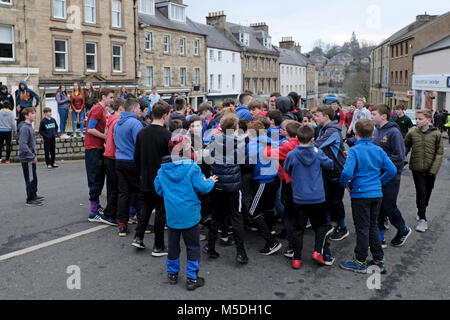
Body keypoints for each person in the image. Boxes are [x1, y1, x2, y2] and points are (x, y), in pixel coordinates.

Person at [155, 135, 217, 291]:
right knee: (193, 246)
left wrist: (171, 196)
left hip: (172, 214)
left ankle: (172, 274)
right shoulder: (192, 168)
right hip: (190, 214)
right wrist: (211, 181)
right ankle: (191, 278)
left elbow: (159, 189)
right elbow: (203, 188)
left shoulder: (162, 170)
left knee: (173, 245)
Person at [339, 119, 397, 274]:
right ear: (372, 133)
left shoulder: (354, 151)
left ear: (355, 133)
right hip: (376, 192)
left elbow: (346, 173)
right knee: (373, 226)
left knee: (362, 228)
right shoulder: (378, 150)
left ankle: (359, 261)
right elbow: (391, 170)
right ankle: (378, 260)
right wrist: (379, 181)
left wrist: (346, 184)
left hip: (360, 193)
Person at [284, 125, 335, 269]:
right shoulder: (318, 153)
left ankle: (297, 258)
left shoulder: (292, 154)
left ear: (297, 138)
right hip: (317, 196)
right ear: (313, 139)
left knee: (298, 228)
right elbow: (329, 164)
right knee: (321, 225)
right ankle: (318, 251)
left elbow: (287, 168)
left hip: (299, 196)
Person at [205, 114, 249, 264]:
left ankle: (210, 247)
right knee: (236, 217)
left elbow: (208, 159)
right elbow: (245, 163)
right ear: (236, 127)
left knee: (216, 216)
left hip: (217, 184)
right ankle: (241, 253)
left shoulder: (213, 141)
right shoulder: (240, 142)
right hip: (233, 186)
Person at [132, 101, 172, 256]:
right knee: (161, 213)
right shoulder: (167, 135)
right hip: (162, 179)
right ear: (164, 115)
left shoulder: (142, 133)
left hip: (146, 177)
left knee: (146, 209)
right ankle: (158, 246)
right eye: (168, 114)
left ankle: (138, 237)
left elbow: (136, 157)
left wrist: (142, 171)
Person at [371, 104, 411, 248]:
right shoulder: (376, 131)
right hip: (378, 174)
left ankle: (403, 229)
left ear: (383, 116)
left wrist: (381, 161)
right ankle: (380, 238)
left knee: (389, 206)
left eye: (374, 114)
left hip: (391, 176)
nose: (371, 117)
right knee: (379, 206)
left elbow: (399, 156)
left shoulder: (394, 132)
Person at [263, 121, 301, 259]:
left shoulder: (289, 146)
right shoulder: (305, 143)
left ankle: (292, 249)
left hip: (293, 185)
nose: (280, 131)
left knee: (291, 218)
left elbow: (268, 153)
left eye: (283, 129)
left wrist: (261, 143)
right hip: (309, 186)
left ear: (289, 133)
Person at [246, 120, 282, 255]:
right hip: (274, 178)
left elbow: (248, 164)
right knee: (268, 206)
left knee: (253, 211)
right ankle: (270, 228)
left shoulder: (252, 145)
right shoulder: (272, 141)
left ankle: (271, 241)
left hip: (263, 180)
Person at [405, 109, 444, 233]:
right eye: (416, 118)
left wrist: (433, 169)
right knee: (421, 192)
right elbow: (405, 146)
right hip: (417, 169)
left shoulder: (436, 134)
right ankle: (423, 219)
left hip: (431, 170)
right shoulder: (412, 133)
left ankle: (421, 209)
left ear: (428, 120)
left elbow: (439, 153)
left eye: (420, 119)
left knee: (427, 192)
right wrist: (403, 159)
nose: (417, 121)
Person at [314, 106, 348, 241]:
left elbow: (316, 145)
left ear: (326, 117)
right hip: (327, 170)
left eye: (317, 116)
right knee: (327, 200)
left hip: (336, 171)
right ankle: (330, 225)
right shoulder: (323, 129)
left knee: (336, 201)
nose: (315, 119)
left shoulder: (332, 131)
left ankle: (343, 227)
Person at [113, 98, 144, 237]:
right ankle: (142, 221)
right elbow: (140, 144)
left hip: (119, 160)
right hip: (132, 161)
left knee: (123, 193)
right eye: (138, 109)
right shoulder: (135, 123)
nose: (140, 111)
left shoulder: (117, 123)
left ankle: (122, 225)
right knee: (138, 191)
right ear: (133, 109)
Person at [85, 88, 114, 222]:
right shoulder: (97, 109)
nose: (112, 100)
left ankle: (96, 206)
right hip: (93, 149)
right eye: (111, 97)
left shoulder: (102, 110)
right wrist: (106, 137)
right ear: (103, 97)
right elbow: (90, 129)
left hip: (98, 147)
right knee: (95, 178)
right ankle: (93, 212)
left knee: (99, 177)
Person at [99, 98, 124, 227]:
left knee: (111, 187)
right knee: (115, 188)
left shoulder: (110, 119)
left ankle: (110, 212)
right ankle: (109, 214)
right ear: (120, 108)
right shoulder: (117, 121)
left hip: (108, 155)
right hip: (113, 156)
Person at [19, 107, 44, 207]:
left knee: (33, 178)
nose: (35, 115)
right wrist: (32, 156)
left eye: (34, 113)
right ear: (26, 115)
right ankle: (29, 200)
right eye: (32, 113)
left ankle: (33, 195)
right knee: (30, 178)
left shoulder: (29, 126)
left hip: (31, 157)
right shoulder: (25, 128)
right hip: (27, 159)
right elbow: (23, 145)